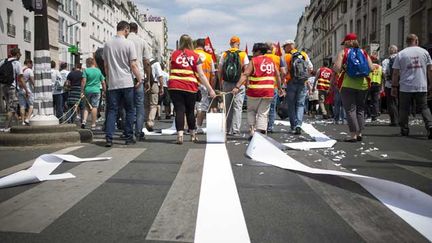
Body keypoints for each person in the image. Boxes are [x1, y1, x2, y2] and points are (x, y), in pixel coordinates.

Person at [168, 34, 216, 144]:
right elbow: (201, 74)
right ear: (191, 43)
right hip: (190, 86)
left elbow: (170, 70)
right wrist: (210, 89)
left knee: (179, 110)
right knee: (190, 111)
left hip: (175, 85)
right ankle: (193, 134)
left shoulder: (174, 54)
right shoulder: (195, 55)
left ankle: (180, 135)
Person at [103, 21, 143, 147]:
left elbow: (106, 66)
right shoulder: (129, 43)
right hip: (126, 82)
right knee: (130, 110)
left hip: (113, 83)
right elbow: (133, 65)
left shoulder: (107, 44)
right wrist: (140, 78)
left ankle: (109, 138)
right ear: (126, 30)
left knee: (112, 111)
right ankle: (129, 136)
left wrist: (109, 80)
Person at [232, 43, 283, 139]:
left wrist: (237, 87)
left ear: (258, 51)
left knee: (251, 111)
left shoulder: (254, 61)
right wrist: (280, 88)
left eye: (254, 51)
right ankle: (261, 133)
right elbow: (278, 75)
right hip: (268, 91)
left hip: (254, 91)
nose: (253, 52)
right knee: (263, 113)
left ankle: (252, 131)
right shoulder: (271, 61)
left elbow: (245, 74)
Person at [334, 33, 373, 142]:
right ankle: (359, 133)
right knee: (360, 109)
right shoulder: (364, 52)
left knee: (350, 110)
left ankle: (353, 135)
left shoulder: (343, 52)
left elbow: (337, 68)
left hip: (347, 84)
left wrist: (343, 68)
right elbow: (371, 68)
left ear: (346, 42)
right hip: (363, 84)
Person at [391, 34, 432, 138]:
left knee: (404, 108)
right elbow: (430, 70)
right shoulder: (425, 52)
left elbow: (395, 72)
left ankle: (404, 129)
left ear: (407, 42)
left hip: (406, 86)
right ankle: (430, 126)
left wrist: (394, 87)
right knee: (424, 107)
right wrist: (430, 83)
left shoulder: (401, 54)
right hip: (421, 85)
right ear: (416, 41)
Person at [218, 36, 249, 136]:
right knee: (237, 107)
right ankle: (235, 129)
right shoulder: (243, 54)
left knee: (228, 106)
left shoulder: (225, 53)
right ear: (238, 44)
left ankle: (227, 128)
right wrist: (246, 83)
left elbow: (219, 69)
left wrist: (220, 82)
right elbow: (246, 70)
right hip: (239, 83)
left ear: (230, 44)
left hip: (226, 82)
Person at [127, 22, 152, 141]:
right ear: (136, 30)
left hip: (125, 77)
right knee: (139, 105)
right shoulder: (142, 42)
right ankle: (138, 131)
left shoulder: (124, 40)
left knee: (127, 106)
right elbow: (147, 62)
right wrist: (148, 78)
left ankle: (128, 131)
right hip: (139, 76)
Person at [283, 39, 313, 134]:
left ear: (289, 46)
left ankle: (293, 125)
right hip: (302, 82)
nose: (284, 49)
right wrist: (305, 77)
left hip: (291, 82)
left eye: (285, 47)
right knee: (300, 104)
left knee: (291, 104)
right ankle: (299, 125)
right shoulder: (303, 54)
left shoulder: (286, 56)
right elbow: (310, 67)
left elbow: (284, 71)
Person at [0, 48, 27, 131]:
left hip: (3, 86)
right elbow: (21, 78)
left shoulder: (3, 61)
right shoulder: (17, 63)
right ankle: (6, 127)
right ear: (17, 54)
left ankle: (15, 125)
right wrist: (26, 89)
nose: (21, 55)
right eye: (20, 54)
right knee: (12, 108)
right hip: (12, 87)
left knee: (10, 106)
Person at [194, 38, 216, 133]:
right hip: (204, 85)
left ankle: (187, 126)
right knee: (202, 107)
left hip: (192, 83)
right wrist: (211, 87)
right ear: (204, 46)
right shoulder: (209, 57)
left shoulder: (191, 54)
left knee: (190, 106)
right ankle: (198, 126)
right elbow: (213, 74)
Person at [265, 42, 286, 133]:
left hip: (261, 86)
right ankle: (270, 127)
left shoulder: (260, 58)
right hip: (273, 86)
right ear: (273, 49)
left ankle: (262, 126)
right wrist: (280, 84)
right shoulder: (278, 58)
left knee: (262, 108)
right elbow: (284, 72)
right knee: (272, 107)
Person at [81, 57, 106, 129]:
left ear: (88, 63)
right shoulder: (98, 71)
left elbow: (83, 82)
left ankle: (84, 121)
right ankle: (93, 124)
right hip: (96, 91)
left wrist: (82, 91)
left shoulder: (86, 71)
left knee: (86, 106)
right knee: (94, 107)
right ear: (93, 63)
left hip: (87, 90)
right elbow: (103, 82)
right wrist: (104, 91)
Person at [382, 45, 399, 126]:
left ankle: (394, 120)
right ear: (397, 50)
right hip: (401, 84)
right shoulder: (401, 58)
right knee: (400, 102)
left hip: (389, 85)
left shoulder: (386, 61)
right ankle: (401, 120)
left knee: (391, 102)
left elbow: (384, 73)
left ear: (389, 51)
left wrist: (387, 80)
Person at [146, 57, 164, 131]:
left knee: (145, 104)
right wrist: (161, 87)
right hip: (154, 84)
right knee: (153, 105)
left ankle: (144, 121)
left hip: (144, 84)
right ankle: (150, 122)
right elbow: (160, 76)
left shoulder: (141, 60)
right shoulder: (155, 63)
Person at [19, 59, 35, 125]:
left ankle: (22, 121)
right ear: (29, 63)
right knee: (32, 105)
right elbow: (32, 81)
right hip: (28, 90)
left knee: (22, 106)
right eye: (32, 65)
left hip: (19, 90)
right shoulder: (29, 70)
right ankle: (27, 119)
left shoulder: (20, 69)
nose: (32, 66)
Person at [368, 55, 384, 121]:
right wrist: (382, 86)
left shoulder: (369, 66)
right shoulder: (380, 67)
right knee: (375, 100)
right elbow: (383, 76)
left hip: (369, 84)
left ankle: (368, 113)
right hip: (377, 85)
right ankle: (374, 115)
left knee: (367, 100)